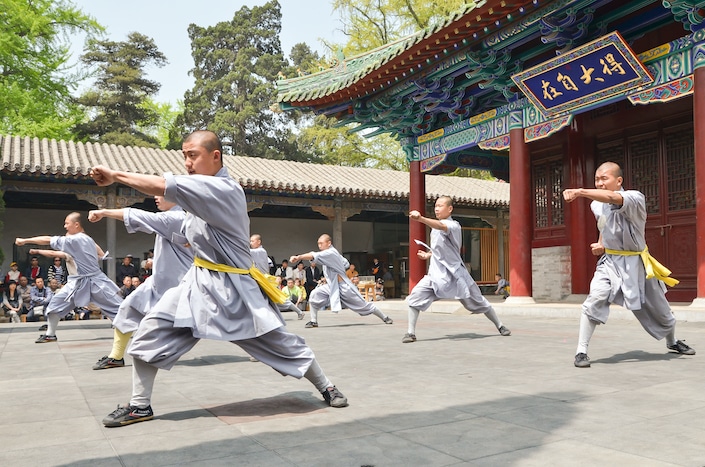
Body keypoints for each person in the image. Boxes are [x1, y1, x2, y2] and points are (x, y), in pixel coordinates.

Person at [90, 130, 347, 427]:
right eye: (184, 156)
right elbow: (171, 225)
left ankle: (326, 385)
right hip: (196, 284)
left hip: (234, 289)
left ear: (215, 156)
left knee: (281, 342)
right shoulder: (196, 202)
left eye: (193, 155)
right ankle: (139, 405)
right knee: (149, 331)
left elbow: (163, 185)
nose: (187, 163)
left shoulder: (224, 189)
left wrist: (115, 175)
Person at [562, 161, 695, 368]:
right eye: (597, 179)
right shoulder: (596, 204)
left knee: (661, 309)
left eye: (604, 179)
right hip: (610, 263)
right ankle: (581, 351)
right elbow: (605, 226)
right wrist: (600, 244)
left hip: (637, 262)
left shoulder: (634, 197)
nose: (599, 183)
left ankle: (672, 341)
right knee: (595, 298)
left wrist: (579, 191)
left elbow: (614, 198)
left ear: (619, 180)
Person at [88, 195, 192, 371]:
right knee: (127, 308)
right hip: (159, 283)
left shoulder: (175, 218)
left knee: (192, 326)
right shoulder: (177, 218)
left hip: (177, 287)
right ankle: (116, 356)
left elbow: (138, 215)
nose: (156, 197)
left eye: (161, 194)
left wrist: (104, 211)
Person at [403, 196, 511, 343]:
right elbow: (440, 250)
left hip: (456, 274)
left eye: (440, 206)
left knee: (478, 301)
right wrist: (428, 254)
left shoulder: (453, 225)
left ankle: (500, 326)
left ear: (450, 209)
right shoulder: (435, 228)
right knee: (415, 297)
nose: (436, 209)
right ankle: (410, 333)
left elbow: (441, 227)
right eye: (435, 206)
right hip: (436, 275)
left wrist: (421, 218)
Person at [15, 212, 123, 343]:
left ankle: (140, 330)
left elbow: (48, 241)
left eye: (67, 223)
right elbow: (101, 254)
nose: (65, 226)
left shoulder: (75, 240)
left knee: (118, 308)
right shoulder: (88, 239)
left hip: (94, 282)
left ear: (76, 225)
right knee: (55, 304)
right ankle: (50, 334)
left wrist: (26, 241)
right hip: (77, 283)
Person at [290, 234, 394, 328]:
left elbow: (313, 255)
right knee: (314, 295)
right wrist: (335, 271)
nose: (319, 245)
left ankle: (385, 317)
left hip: (343, 285)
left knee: (363, 305)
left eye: (321, 243)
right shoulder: (332, 254)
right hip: (331, 285)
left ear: (329, 243)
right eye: (318, 243)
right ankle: (313, 321)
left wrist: (299, 257)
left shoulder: (331, 252)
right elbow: (346, 263)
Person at [250, 234, 304, 319]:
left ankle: (299, 311)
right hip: (259, 279)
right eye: (250, 241)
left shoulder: (261, 251)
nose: (251, 243)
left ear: (259, 242)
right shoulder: (256, 252)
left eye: (252, 241)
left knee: (278, 298)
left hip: (265, 280)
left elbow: (247, 252)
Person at [28, 248, 77, 329]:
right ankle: (50, 329)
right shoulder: (52, 269)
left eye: (59, 260)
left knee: (60, 298)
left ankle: (66, 315)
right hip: (57, 284)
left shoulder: (65, 265)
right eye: (56, 260)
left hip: (68, 284)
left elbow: (52, 253)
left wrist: (37, 251)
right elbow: (33, 298)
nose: (57, 262)